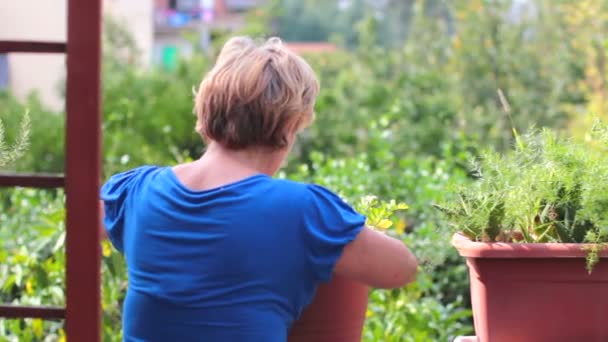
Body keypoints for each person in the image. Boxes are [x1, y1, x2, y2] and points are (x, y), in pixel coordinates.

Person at [100, 36, 417, 342]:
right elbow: (401, 269)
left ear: (206, 109)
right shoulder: (301, 211)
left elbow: (83, 222)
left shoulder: (136, 191)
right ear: (290, 125)